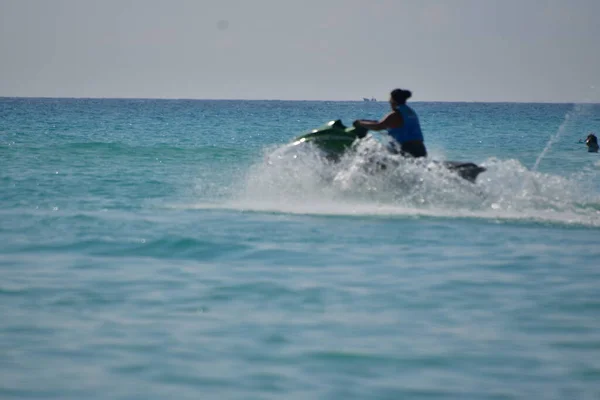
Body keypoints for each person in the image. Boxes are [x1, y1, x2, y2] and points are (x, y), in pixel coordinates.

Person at [353, 88, 427, 158]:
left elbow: (378, 126)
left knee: (372, 158)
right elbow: (385, 124)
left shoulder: (396, 114)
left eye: (390, 98)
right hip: (421, 149)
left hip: (407, 149)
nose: (389, 101)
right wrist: (366, 122)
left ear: (393, 100)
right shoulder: (410, 112)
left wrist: (360, 123)